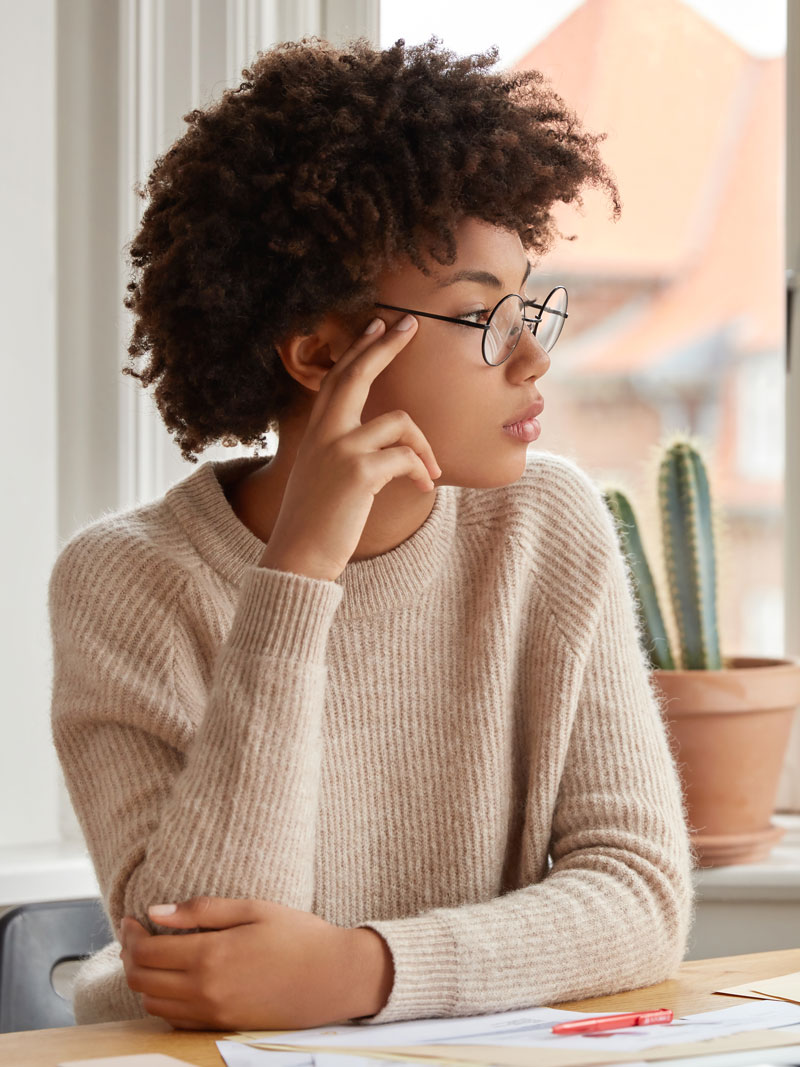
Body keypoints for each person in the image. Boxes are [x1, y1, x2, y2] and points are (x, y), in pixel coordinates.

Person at [48, 33, 697, 1032]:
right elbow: (196, 962)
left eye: (529, 303)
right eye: (480, 317)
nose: (530, 358)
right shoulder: (126, 582)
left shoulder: (544, 523)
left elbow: (639, 896)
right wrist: (296, 577)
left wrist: (363, 969)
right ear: (319, 352)